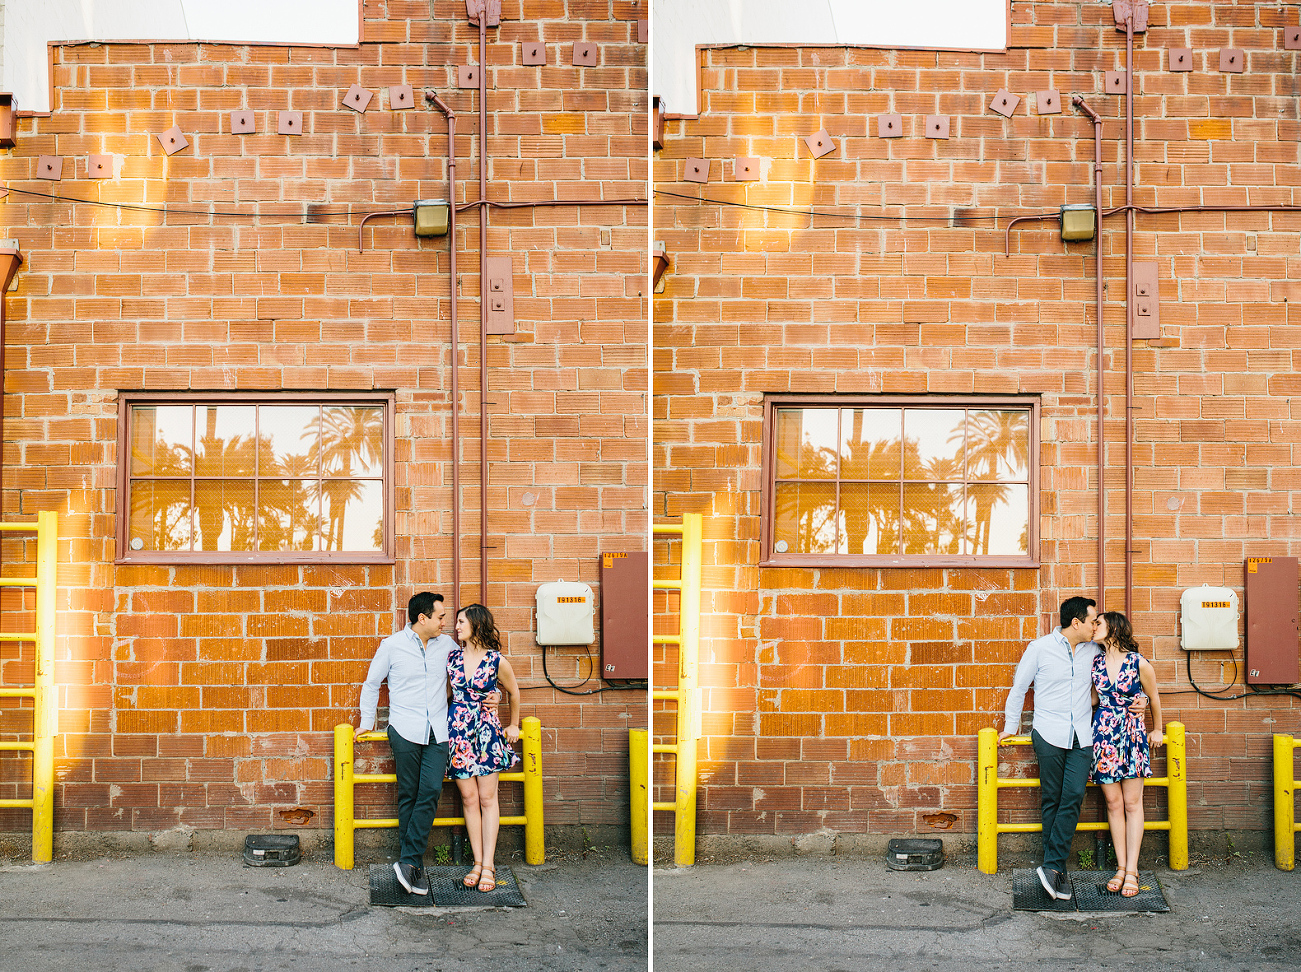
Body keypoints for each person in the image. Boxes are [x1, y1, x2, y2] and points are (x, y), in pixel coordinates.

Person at [356, 591, 456, 896]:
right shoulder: (392, 646)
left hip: (438, 730)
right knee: (409, 795)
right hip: (404, 729)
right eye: (439, 616)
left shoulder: (448, 645)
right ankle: (412, 868)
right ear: (422, 618)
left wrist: (492, 695)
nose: (444, 622)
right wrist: (366, 721)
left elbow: (468, 675)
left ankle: (409, 862)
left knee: (430, 791)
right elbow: (372, 683)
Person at [448, 603, 521, 893]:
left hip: (487, 732)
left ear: (476, 625)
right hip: (459, 733)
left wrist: (513, 724)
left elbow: (514, 691)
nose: (456, 627)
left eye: (461, 622)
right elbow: (447, 694)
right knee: (468, 798)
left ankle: (489, 865)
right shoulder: (452, 658)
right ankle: (477, 863)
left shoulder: (496, 661)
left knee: (488, 798)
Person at [1090, 610, 1164, 898]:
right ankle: (1120, 868)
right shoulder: (1095, 662)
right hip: (1104, 734)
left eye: (1099, 623)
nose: (1094, 627)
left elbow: (1153, 696)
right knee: (1112, 802)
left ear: (1114, 629)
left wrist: (1156, 729)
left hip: (1132, 734)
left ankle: (1132, 870)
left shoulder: (1138, 662)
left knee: (1133, 803)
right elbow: (1093, 698)